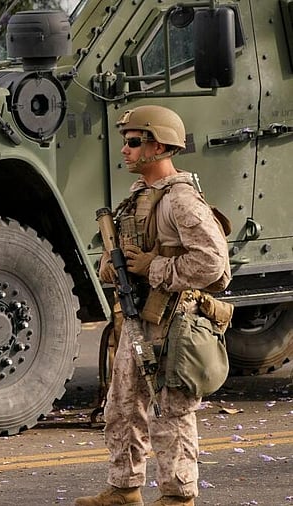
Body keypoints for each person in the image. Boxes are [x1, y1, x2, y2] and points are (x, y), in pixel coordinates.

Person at [76, 105, 231, 506]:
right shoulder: (140, 196)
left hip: (173, 320)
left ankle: (179, 496)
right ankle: (125, 487)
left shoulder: (181, 200)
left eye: (132, 142)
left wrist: (155, 266)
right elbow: (128, 252)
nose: (124, 150)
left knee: (170, 412)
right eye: (125, 142)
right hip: (139, 316)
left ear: (158, 146)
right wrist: (113, 265)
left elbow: (215, 265)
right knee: (123, 405)